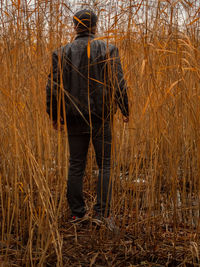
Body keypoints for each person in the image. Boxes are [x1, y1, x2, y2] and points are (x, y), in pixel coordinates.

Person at [46, 9, 129, 228]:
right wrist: (125, 109)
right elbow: (118, 82)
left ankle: (77, 215)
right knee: (106, 166)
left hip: (73, 118)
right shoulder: (108, 49)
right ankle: (103, 215)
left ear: (75, 27)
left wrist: (55, 115)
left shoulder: (61, 52)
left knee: (76, 165)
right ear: (95, 26)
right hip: (102, 117)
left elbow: (53, 87)